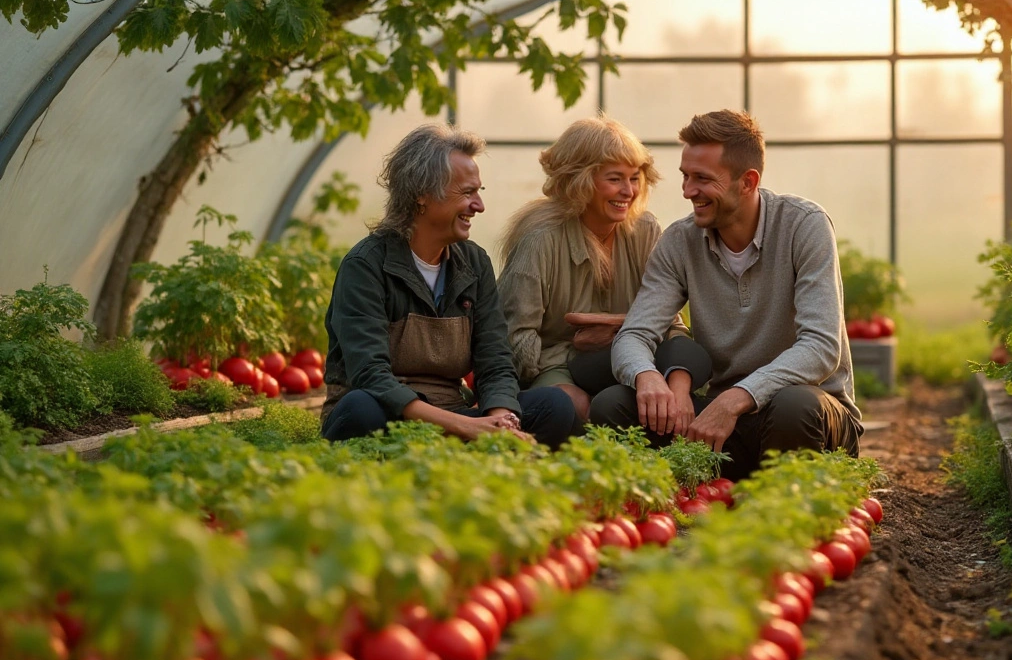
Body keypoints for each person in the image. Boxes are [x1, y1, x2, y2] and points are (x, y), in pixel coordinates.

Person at [590, 110, 863, 479]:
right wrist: (647, 378)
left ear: (748, 181)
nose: (687, 191)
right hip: (722, 425)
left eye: (702, 179)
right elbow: (635, 334)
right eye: (686, 176)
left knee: (794, 404)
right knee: (614, 405)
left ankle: (789, 498)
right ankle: (691, 489)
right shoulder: (679, 241)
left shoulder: (804, 225)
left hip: (805, 419)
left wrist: (737, 399)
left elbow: (821, 348)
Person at [320, 124, 578, 446]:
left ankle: (456, 451)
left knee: (555, 406)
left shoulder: (474, 263)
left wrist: (500, 422)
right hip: (391, 415)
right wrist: (464, 427)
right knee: (361, 409)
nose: (479, 206)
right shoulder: (366, 266)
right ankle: (452, 451)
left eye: (479, 192)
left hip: (455, 410)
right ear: (422, 196)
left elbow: (495, 361)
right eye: (467, 193)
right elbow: (371, 376)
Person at [496, 116, 710, 422]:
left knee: (660, 394)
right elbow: (515, 342)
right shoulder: (539, 240)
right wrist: (572, 349)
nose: (628, 191)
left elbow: (670, 323)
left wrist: (620, 327)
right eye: (615, 179)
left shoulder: (645, 230)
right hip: (556, 366)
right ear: (580, 181)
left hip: (636, 357)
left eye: (635, 178)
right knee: (575, 405)